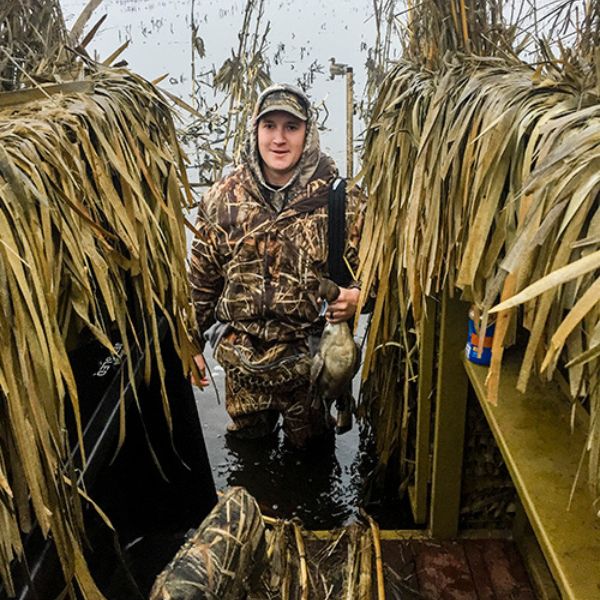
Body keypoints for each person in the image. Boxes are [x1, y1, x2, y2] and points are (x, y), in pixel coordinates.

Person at [189, 83, 366, 448]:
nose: (279, 139)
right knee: (247, 455)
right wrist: (190, 343)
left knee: (313, 466)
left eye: (291, 127)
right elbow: (201, 281)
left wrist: (358, 297)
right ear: (255, 131)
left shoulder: (342, 200)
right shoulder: (224, 198)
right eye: (269, 126)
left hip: (310, 365)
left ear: (308, 132)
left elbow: (379, 276)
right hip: (243, 365)